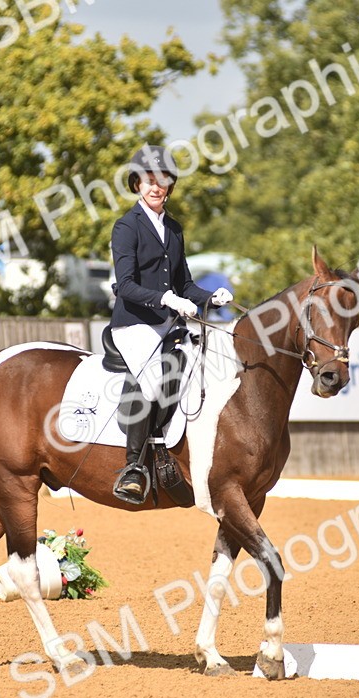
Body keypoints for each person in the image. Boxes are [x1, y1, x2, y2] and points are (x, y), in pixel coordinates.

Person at [109, 145, 233, 503]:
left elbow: (185, 285)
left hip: (168, 324)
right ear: (137, 184)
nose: (156, 186)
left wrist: (210, 297)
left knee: (198, 370)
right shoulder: (126, 227)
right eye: (149, 179)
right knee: (152, 383)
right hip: (134, 325)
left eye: (162, 180)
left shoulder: (174, 229)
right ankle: (133, 467)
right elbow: (126, 285)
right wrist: (165, 299)